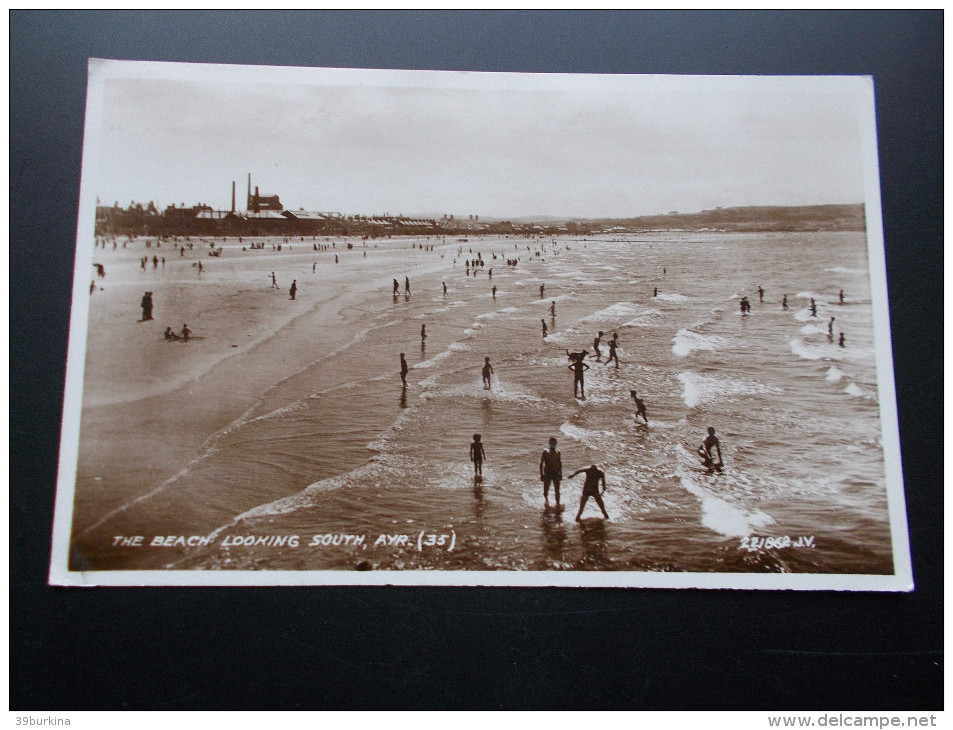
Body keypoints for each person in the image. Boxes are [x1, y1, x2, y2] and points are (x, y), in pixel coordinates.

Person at [539, 438, 563, 507]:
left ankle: (557, 503)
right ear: (549, 443)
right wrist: (541, 474)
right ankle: (546, 501)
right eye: (551, 443)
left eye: (554, 443)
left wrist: (561, 473)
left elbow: (560, 463)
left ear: (556, 444)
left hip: (556, 473)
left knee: (557, 490)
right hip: (547, 473)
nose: (553, 445)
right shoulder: (545, 451)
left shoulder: (558, 452)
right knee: (546, 489)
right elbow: (541, 463)